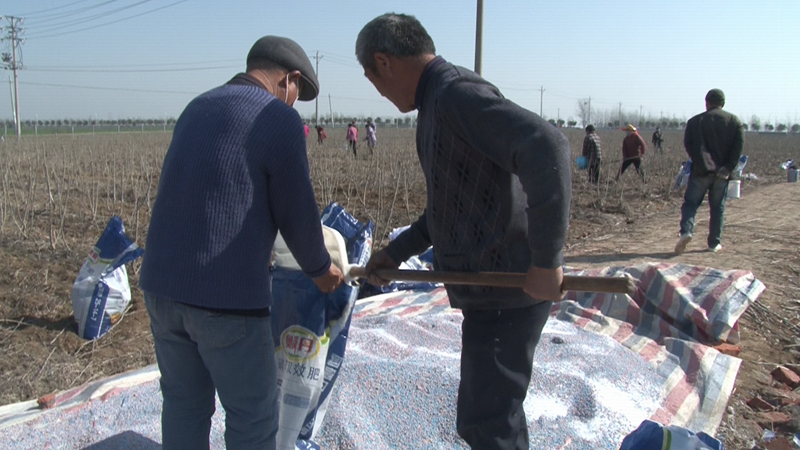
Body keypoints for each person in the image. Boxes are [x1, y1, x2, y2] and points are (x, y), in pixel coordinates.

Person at [356, 13, 571, 450]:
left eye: (373, 80)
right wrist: (395, 254)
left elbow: (547, 145)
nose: (379, 92)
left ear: (384, 61)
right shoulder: (437, 103)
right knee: (493, 416)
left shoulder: (456, 95)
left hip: (508, 287)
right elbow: (449, 207)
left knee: (487, 423)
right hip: (488, 290)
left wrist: (546, 262)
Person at [138, 35, 344, 450]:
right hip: (224, 298)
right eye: (295, 95)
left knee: (183, 404)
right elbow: (297, 214)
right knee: (253, 415)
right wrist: (321, 270)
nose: (292, 104)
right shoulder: (276, 117)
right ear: (289, 80)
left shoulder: (197, 106)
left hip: (161, 287)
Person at [675, 88, 744, 254]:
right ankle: (714, 243)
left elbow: (689, 145)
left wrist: (700, 162)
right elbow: (738, 148)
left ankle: (686, 232)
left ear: (707, 103)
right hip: (722, 173)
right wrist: (727, 167)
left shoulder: (694, 122)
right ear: (723, 103)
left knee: (691, 204)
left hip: (700, 171)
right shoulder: (734, 122)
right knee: (717, 207)